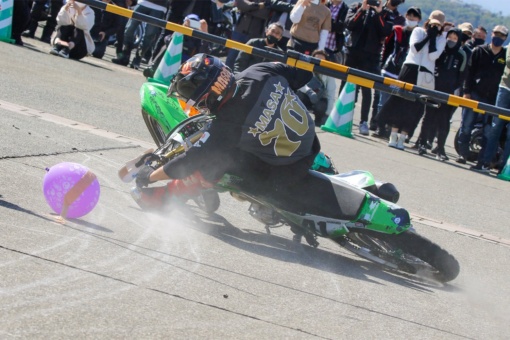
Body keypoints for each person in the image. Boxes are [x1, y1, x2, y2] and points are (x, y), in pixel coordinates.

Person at [133, 54, 348, 222]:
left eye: (191, 92)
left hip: (285, 172)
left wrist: (148, 176)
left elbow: (190, 160)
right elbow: (304, 74)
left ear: (209, 93)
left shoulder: (227, 124)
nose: (191, 99)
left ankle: (170, 196)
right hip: (310, 142)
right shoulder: (260, 70)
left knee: (212, 166)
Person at [377, 10, 446, 150]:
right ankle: (393, 134)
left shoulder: (441, 38)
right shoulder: (418, 31)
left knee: (415, 106)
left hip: (425, 73)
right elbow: (415, 49)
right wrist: (427, 37)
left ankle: (403, 137)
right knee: (400, 101)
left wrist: (433, 39)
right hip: (410, 68)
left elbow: (433, 56)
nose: (434, 27)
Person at [456, 25, 508, 164]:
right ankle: (463, 154)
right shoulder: (479, 50)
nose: (498, 37)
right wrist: (466, 91)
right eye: (496, 34)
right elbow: (469, 72)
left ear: (505, 38)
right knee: (466, 125)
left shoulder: (505, 55)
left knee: (488, 131)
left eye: (501, 36)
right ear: (492, 34)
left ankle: (482, 160)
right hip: (475, 94)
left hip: (493, 98)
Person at [342, 0, 394, 136]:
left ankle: (363, 121)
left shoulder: (386, 14)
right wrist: (362, 10)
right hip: (353, 51)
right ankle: (342, 115)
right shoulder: (356, 6)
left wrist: (378, 13)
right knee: (346, 84)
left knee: (366, 89)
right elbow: (349, 24)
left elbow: (385, 31)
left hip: (371, 57)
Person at [415, 28, 467, 161]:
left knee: (444, 121)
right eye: (450, 37)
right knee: (428, 117)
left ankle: (441, 148)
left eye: (455, 38)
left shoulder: (461, 55)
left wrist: (455, 90)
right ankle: (422, 143)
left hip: (448, 92)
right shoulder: (440, 49)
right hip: (433, 87)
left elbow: (462, 75)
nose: (452, 40)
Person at [372, 6, 422, 138]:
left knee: (396, 104)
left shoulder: (420, 36)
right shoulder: (397, 31)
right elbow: (387, 48)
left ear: (419, 19)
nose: (411, 18)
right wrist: (383, 64)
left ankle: (391, 129)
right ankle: (380, 127)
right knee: (383, 100)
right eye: (409, 16)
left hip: (405, 74)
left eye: (414, 16)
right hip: (390, 70)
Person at [470, 43, 510, 173]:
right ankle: (485, 162)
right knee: (496, 126)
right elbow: (508, 61)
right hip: (506, 88)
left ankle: (504, 168)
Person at [143, 14, 210, 78]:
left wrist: (205, 33)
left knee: (203, 59)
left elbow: (205, 52)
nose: (192, 26)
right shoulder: (179, 34)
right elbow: (167, 40)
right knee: (166, 47)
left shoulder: (199, 40)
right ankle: (153, 67)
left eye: (195, 24)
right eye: (191, 22)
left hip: (189, 64)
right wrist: (182, 28)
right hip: (172, 59)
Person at [112, 0, 169, 69]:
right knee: (129, 29)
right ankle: (124, 55)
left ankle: (137, 59)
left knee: (149, 35)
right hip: (142, 2)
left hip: (160, 7)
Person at [224, 0, 270, 68]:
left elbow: (265, 13)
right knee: (231, 59)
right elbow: (243, 5)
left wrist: (249, 7)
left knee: (246, 63)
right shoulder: (265, 4)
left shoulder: (269, 1)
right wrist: (261, 5)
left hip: (255, 36)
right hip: (239, 32)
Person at [296, 49, 337, 125]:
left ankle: (318, 120)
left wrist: (327, 114)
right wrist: (308, 91)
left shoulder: (329, 73)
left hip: (320, 98)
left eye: (321, 60)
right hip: (306, 95)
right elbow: (298, 84)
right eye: (316, 59)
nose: (318, 62)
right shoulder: (306, 67)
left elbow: (331, 95)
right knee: (299, 96)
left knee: (321, 106)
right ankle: (297, 118)